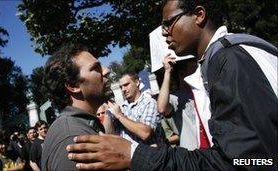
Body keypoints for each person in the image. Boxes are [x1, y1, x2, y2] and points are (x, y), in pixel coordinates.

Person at [65, 0, 278, 170]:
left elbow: (251, 162)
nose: (164, 32)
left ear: (199, 15)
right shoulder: (227, 55)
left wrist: (135, 155)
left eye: (168, 23)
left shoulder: (229, 60)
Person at [40, 43, 114, 171]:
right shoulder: (71, 139)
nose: (106, 70)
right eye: (96, 68)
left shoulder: (81, 126)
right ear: (73, 86)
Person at [158, 56, 204, 150]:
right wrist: (167, 72)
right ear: (182, 74)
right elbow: (161, 108)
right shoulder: (175, 98)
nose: (199, 73)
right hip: (192, 155)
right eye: (194, 70)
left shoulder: (204, 92)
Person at [107, 72, 164, 145]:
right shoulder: (121, 108)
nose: (123, 89)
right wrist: (107, 113)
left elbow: (145, 133)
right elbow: (111, 136)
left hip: (149, 154)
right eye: (121, 87)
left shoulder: (149, 103)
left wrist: (120, 116)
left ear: (137, 82)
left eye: (126, 85)